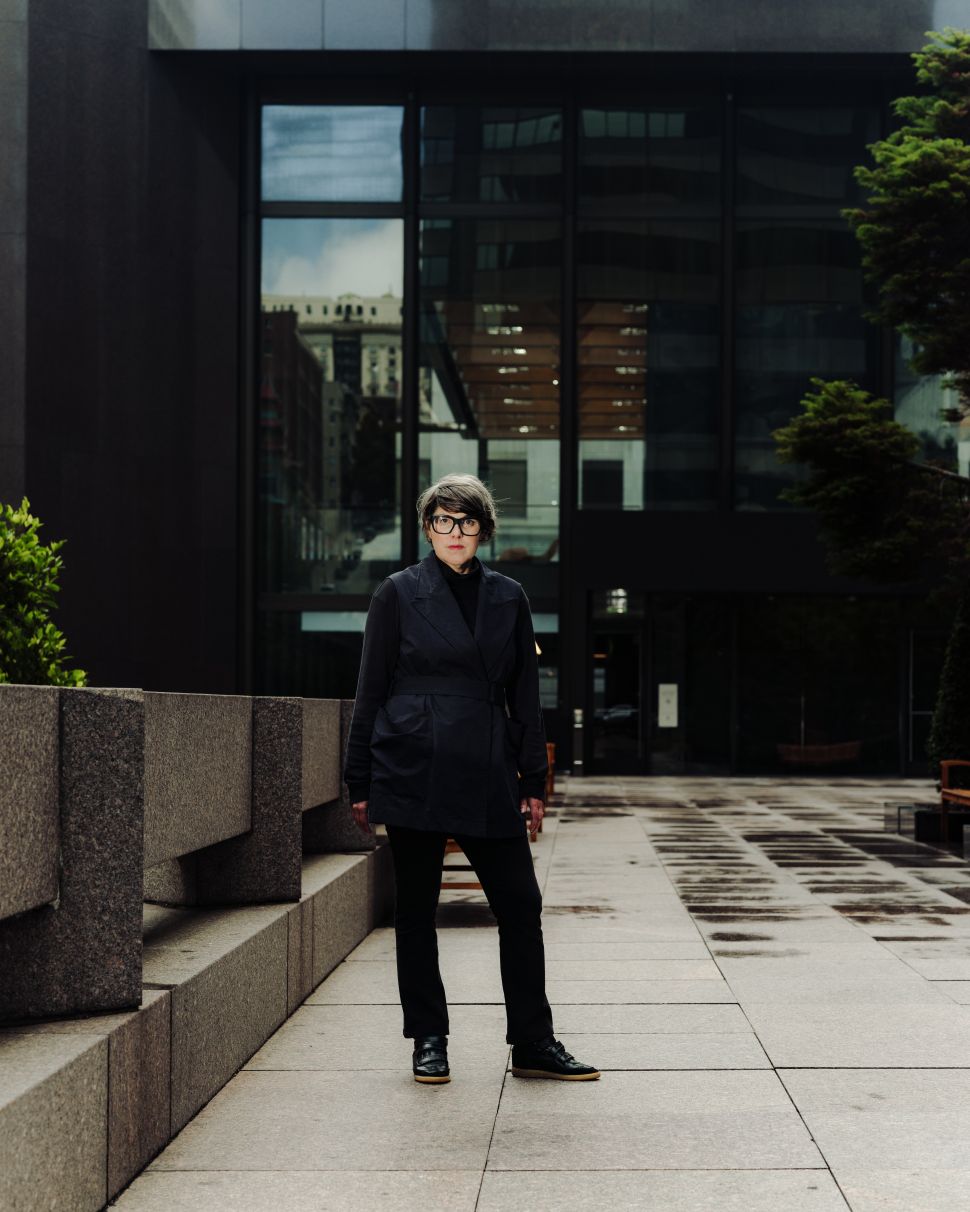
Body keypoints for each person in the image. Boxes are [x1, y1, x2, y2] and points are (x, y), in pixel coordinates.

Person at [344, 473, 599, 1085]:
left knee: (520, 903)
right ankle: (428, 1040)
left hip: (486, 763)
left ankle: (532, 1041)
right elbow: (370, 689)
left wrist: (533, 779)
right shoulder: (397, 593)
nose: (453, 532)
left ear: (484, 529)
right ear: (428, 527)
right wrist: (359, 778)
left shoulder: (509, 597)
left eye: (465, 522)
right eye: (442, 521)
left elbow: (525, 696)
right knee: (415, 910)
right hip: (413, 762)